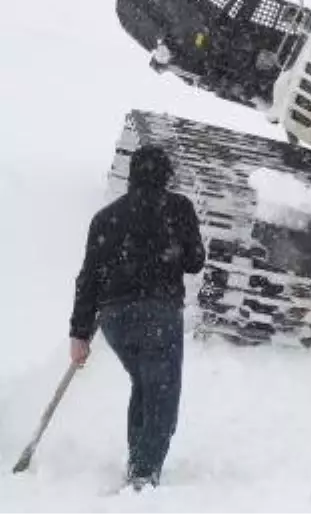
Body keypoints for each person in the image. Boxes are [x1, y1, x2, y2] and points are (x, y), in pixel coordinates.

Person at [69, 144, 206, 490]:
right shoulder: (178, 208)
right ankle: (143, 474)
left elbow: (89, 278)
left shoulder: (106, 217)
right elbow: (195, 262)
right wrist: (178, 246)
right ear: (167, 175)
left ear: (132, 176)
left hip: (115, 319)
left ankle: (138, 461)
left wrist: (79, 334)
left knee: (145, 384)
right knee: (162, 390)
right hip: (159, 313)